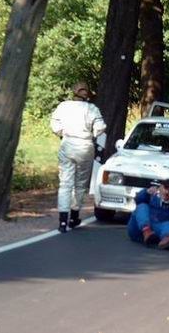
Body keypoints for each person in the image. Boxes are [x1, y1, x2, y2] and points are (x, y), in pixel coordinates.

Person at [50, 81, 106, 233]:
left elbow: (54, 125)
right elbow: (101, 127)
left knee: (65, 183)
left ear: (73, 92)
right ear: (86, 93)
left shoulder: (63, 106)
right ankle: (74, 217)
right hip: (85, 146)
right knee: (80, 183)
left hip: (67, 144)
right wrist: (92, 134)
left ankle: (62, 221)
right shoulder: (91, 108)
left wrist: (61, 133)